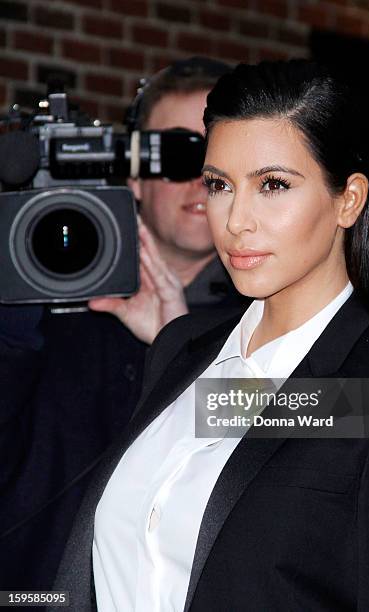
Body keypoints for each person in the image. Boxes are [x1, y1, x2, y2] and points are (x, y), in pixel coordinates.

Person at [52, 59, 369, 611]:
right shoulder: (179, 349)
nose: (236, 219)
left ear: (348, 200)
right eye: (219, 185)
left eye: (273, 185)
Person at [0, 57, 249, 595]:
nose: (202, 181)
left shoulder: (277, 307)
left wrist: (188, 357)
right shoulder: (44, 310)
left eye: (222, 160)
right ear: (133, 173)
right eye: (179, 153)